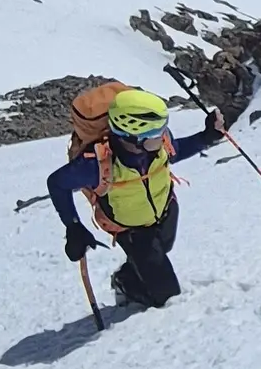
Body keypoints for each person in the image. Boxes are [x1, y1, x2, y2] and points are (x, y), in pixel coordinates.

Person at [49, 84, 221, 311]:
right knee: (168, 297)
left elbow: (175, 150)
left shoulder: (157, 144)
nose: (163, 137)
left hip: (166, 209)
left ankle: (132, 271)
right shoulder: (95, 164)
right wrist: (73, 226)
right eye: (154, 133)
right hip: (131, 230)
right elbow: (57, 183)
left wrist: (207, 136)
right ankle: (127, 283)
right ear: (132, 137)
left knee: (163, 248)